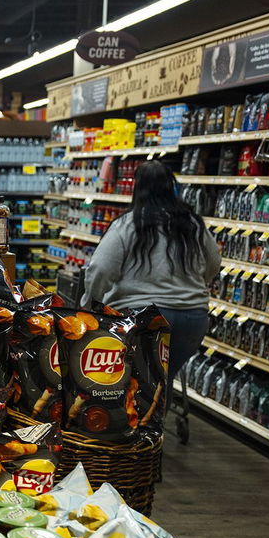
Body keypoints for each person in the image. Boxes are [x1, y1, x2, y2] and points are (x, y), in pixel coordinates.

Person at [81, 160, 221, 378]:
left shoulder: (127, 224)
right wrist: (193, 286)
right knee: (163, 381)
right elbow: (214, 262)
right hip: (192, 318)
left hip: (144, 317)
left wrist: (89, 306)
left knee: (139, 384)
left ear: (137, 188)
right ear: (172, 187)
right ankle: (160, 411)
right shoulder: (192, 223)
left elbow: (101, 269)